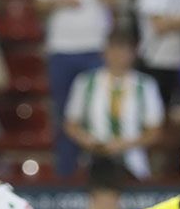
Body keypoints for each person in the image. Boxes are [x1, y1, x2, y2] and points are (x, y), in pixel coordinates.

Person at [32, 0, 123, 176]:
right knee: (65, 116)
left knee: (99, 115)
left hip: (97, 49)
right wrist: (59, 1)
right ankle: (66, 175)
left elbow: (112, 0)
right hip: (62, 49)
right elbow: (38, 5)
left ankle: (102, 175)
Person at [64, 31, 166, 180]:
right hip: (93, 161)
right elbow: (71, 124)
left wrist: (124, 144)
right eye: (113, 50)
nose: (117, 56)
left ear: (133, 54)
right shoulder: (85, 82)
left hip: (133, 163)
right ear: (104, 52)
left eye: (123, 51)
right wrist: (88, 141)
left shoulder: (146, 85)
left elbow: (155, 131)